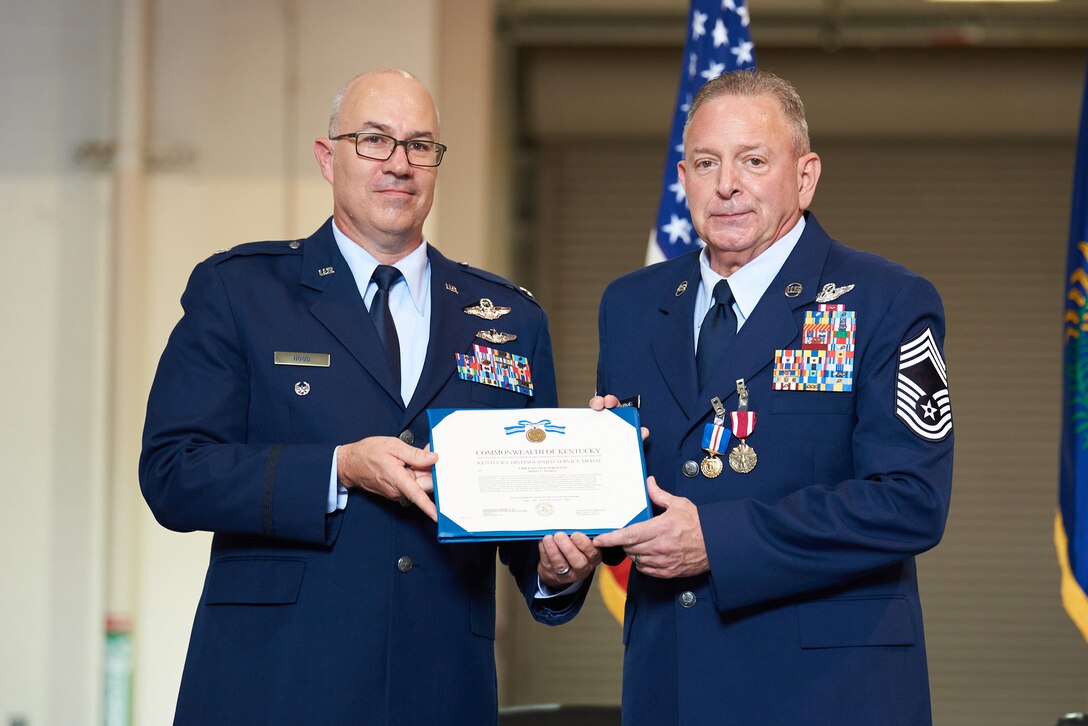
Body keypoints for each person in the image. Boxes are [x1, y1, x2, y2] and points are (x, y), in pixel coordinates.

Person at [140, 68, 599, 725]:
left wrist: (559, 566)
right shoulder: (243, 293)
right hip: (275, 683)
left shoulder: (507, 319)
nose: (399, 164)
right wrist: (336, 469)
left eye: (419, 146)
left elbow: (529, 519)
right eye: (374, 140)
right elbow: (172, 473)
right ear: (329, 158)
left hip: (440, 688)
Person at [590, 69, 953, 725]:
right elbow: (635, 503)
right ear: (683, 179)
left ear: (805, 176)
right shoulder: (632, 307)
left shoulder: (885, 301)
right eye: (706, 162)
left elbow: (910, 502)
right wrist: (582, 500)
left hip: (827, 693)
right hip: (669, 686)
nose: (727, 184)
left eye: (753, 160)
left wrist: (719, 541)